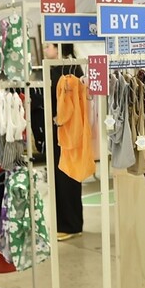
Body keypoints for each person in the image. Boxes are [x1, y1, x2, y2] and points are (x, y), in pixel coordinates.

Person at [41, 42, 84, 241]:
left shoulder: (67, 69)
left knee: (67, 176)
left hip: (67, 131)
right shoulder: (61, 68)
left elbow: (69, 102)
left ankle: (71, 224)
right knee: (61, 176)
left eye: (48, 46)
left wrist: (58, 118)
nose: (45, 49)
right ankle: (66, 223)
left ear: (59, 47)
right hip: (62, 130)